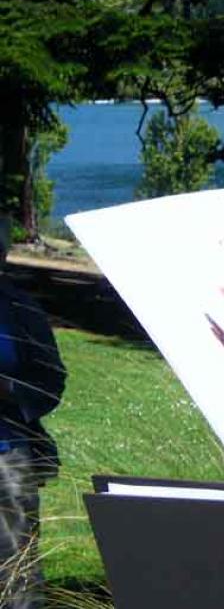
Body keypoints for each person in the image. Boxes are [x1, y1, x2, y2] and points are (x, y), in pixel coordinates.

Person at [0, 251, 66, 608]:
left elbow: (50, 381)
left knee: (16, 576)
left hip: (6, 457)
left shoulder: (18, 309)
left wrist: (9, 390)